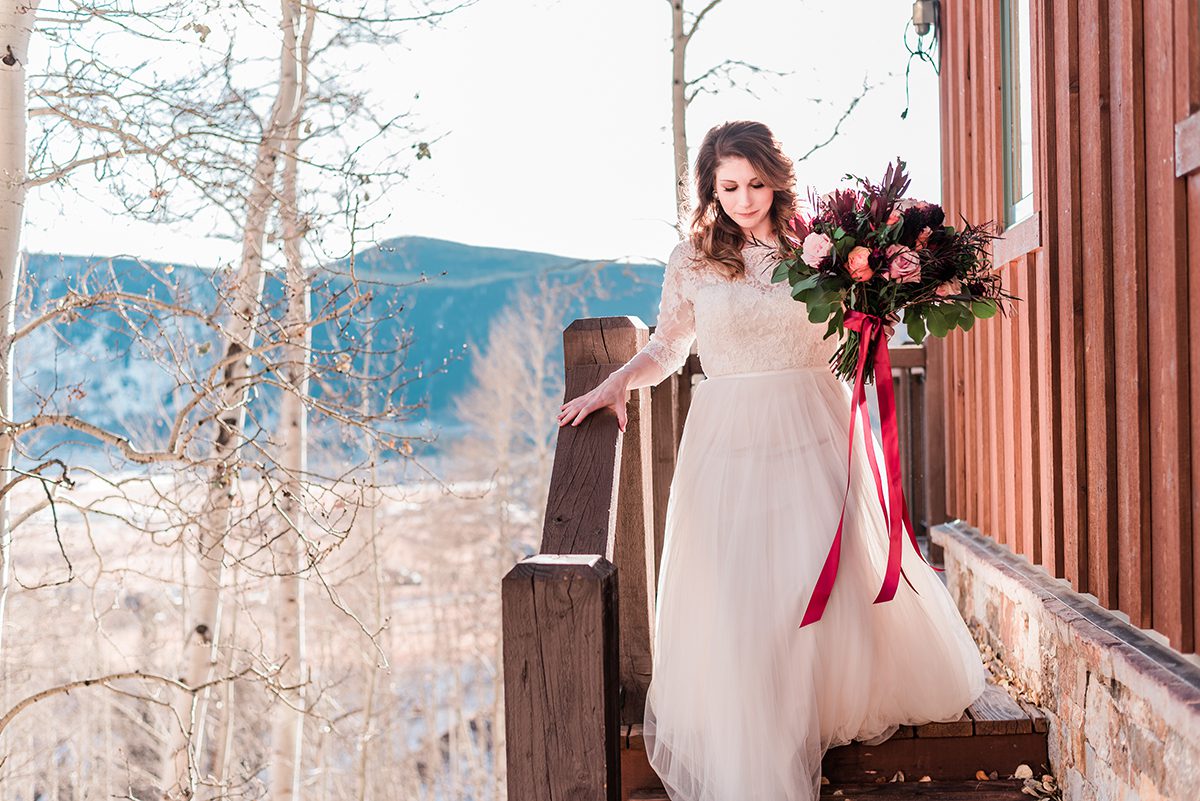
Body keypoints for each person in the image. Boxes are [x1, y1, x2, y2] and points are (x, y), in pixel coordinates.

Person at [556, 120, 988, 801]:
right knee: (742, 586)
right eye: (729, 186)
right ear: (711, 187)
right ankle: (760, 726)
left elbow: (863, 312)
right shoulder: (691, 259)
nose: (744, 198)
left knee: (813, 573)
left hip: (812, 421)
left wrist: (890, 293)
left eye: (756, 183)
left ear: (777, 180)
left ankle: (813, 706)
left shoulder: (821, 247)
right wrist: (616, 382)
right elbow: (669, 347)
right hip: (729, 436)